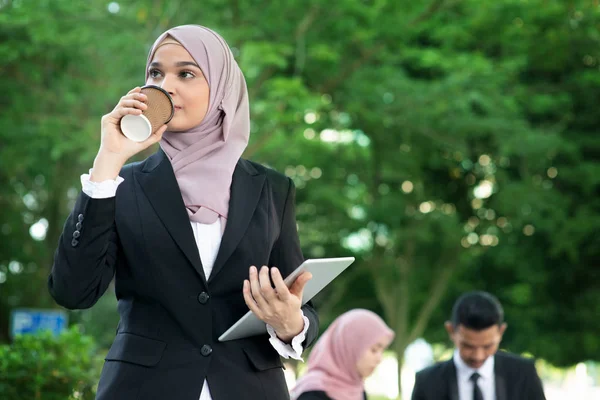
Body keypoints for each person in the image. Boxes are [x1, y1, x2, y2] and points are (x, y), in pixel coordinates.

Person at [48, 24, 320, 400]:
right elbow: (72, 291)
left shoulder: (272, 189)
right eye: (156, 73)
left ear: (222, 88)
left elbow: (300, 301)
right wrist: (107, 160)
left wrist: (292, 323)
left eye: (186, 73)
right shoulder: (119, 183)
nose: (166, 85)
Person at [411, 291, 546, 400]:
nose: (478, 356)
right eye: (468, 346)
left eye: (487, 346)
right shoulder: (427, 382)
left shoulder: (524, 374)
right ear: (451, 331)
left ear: (501, 332)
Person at [290, 309, 395, 400]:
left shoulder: (356, 389)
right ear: (349, 348)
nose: (379, 359)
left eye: (382, 350)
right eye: (374, 350)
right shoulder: (313, 393)